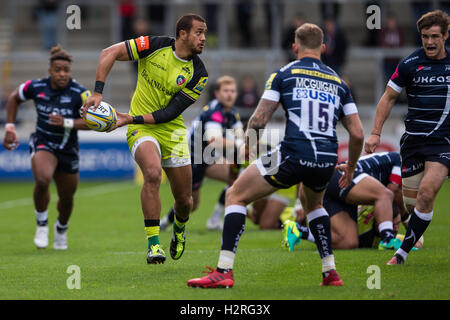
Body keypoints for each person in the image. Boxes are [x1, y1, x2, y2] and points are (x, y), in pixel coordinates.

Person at [187, 23, 364, 288]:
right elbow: (358, 134)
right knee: (314, 205)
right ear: (323, 49)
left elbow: (258, 121)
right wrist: (350, 168)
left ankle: (224, 271)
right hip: (327, 158)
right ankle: (330, 272)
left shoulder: (284, 74)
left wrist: (250, 150)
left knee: (235, 194)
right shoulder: (339, 82)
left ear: (294, 47)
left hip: (292, 153)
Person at [82, 13, 208, 264]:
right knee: (151, 173)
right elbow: (109, 52)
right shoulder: (154, 45)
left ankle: (179, 231)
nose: (204, 38)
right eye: (199, 32)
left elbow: (169, 113)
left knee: (185, 200)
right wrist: (97, 92)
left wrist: (130, 118)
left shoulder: (199, 73)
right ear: (182, 34)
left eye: (205, 33)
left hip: (170, 130)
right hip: (143, 129)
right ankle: (153, 245)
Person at [365, 10, 450, 265]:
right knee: (414, 206)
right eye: (425, 37)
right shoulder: (410, 63)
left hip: (443, 143)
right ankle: (412, 231)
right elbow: (388, 97)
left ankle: (401, 254)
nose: (430, 42)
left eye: (435, 36)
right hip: (413, 142)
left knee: (427, 193)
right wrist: (376, 133)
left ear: (446, 35)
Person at [2, 45, 91, 250]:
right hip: (43, 141)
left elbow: (94, 122)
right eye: (58, 70)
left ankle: (61, 228)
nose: (62, 74)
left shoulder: (81, 93)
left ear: (70, 72)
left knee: (67, 197)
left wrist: (67, 122)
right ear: (50, 70)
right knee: (42, 180)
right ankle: (42, 224)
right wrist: (9, 127)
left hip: (68, 148)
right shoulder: (36, 87)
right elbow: (14, 98)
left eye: (66, 70)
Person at [160, 75, 244, 231]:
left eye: (232, 91)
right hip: (194, 159)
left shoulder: (232, 112)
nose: (229, 94)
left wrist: (246, 144)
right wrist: (240, 144)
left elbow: (240, 136)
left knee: (236, 177)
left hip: (209, 158)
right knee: (190, 204)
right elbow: (214, 141)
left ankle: (214, 220)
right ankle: (164, 222)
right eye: (225, 90)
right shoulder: (214, 112)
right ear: (217, 94)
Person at [283, 152, 410, 251]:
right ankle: (387, 240)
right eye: (395, 225)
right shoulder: (400, 159)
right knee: (385, 195)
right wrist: (405, 219)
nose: (396, 228)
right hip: (341, 175)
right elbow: (393, 191)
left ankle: (299, 231)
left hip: (334, 191)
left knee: (348, 242)